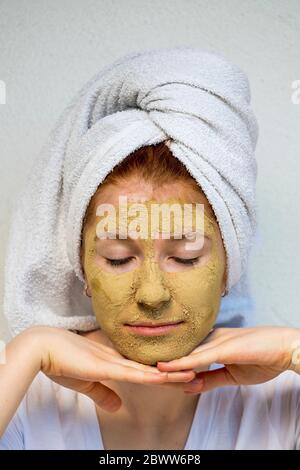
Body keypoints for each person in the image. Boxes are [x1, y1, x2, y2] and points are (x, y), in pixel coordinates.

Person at [1, 47, 300, 450]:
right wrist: (26, 353)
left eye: (186, 257)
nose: (153, 295)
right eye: (118, 258)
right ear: (83, 267)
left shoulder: (281, 401)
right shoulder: (21, 394)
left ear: (231, 265)